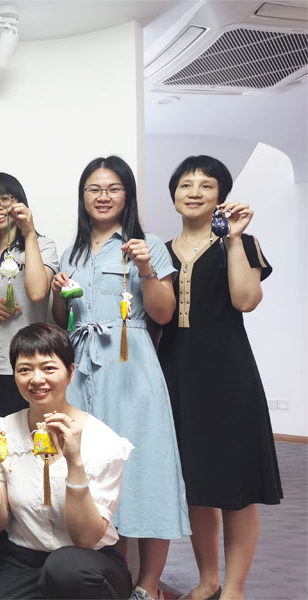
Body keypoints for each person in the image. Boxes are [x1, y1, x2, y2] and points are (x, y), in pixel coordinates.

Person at [50, 156, 190, 600]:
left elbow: (163, 313)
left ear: (127, 195)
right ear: (83, 196)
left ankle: (148, 586)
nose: (103, 196)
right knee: (92, 472)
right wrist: (58, 293)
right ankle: (114, 578)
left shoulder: (148, 245)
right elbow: (62, 319)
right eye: (94, 189)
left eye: (113, 188)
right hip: (81, 370)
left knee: (145, 470)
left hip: (131, 370)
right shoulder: (73, 252)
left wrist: (146, 268)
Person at [157, 156, 282, 600]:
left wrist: (233, 239)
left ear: (220, 197)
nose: (194, 191)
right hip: (176, 374)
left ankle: (234, 588)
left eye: (206, 185)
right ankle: (208, 579)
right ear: (174, 194)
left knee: (236, 487)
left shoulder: (242, 242)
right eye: (185, 184)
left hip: (229, 375)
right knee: (196, 485)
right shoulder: (160, 252)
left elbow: (246, 300)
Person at [0, 323, 134, 599]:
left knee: (64, 568)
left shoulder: (103, 441)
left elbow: (86, 538)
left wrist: (74, 461)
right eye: (25, 369)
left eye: (48, 368)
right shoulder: (2, 431)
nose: (36, 379)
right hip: (23, 562)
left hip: (86, 564)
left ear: (70, 372)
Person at [0, 172, 60, 428]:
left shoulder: (43, 246)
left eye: (5, 198)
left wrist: (28, 234)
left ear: (19, 202)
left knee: (27, 439)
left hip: (28, 363)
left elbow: (37, 292)